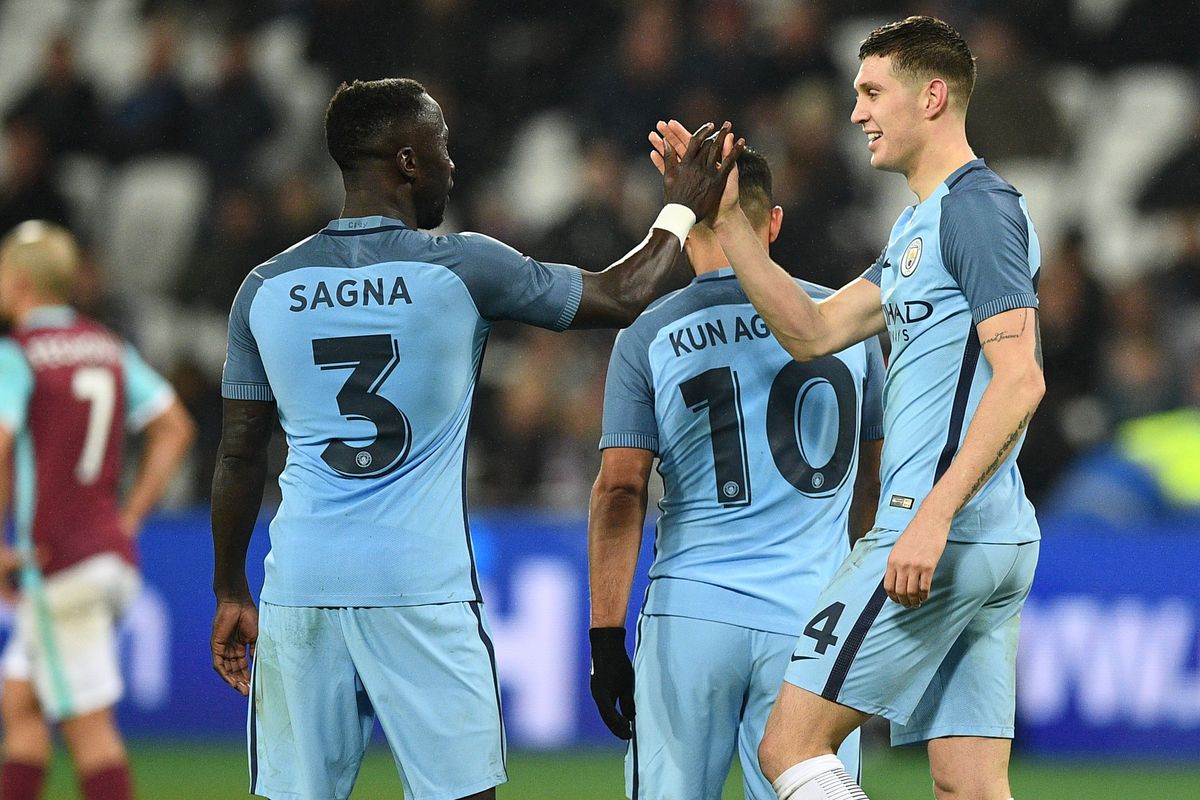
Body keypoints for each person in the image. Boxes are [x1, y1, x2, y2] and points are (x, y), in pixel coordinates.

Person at [209, 77, 742, 800]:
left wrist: (230, 586)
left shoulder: (264, 288)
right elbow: (621, 294)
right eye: (441, 147)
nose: (452, 166)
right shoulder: (462, 267)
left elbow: (239, 455)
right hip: (420, 588)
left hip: (300, 586)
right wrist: (682, 206)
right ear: (406, 160)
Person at [667, 15, 1045, 800]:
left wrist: (931, 518)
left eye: (872, 92)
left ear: (933, 96)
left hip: (936, 532)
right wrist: (729, 220)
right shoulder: (921, 224)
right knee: (968, 786)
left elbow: (1022, 379)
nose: (856, 113)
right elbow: (813, 329)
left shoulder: (977, 208)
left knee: (789, 748)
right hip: (988, 537)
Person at [587, 148, 884, 800]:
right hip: (813, 619)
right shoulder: (849, 325)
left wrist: (605, 634)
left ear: (688, 223)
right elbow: (873, 479)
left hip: (692, 617)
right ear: (772, 223)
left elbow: (620, 489)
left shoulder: (648, 334)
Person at [0, 221, 195, 800]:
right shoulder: (107, 346)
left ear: (20, 281)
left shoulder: (18, 355)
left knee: (90, 732)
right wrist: (129, 517)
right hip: (104, 556)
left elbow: (2, 443)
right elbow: (174, 427)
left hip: (59, 565)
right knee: (22, 705)